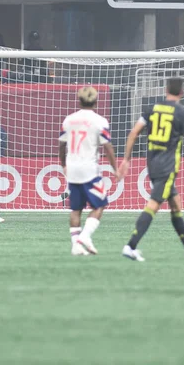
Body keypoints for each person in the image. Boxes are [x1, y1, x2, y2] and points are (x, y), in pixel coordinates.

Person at [118, 78, 184, 262]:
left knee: (175, 203)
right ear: (182, 92)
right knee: (154, 205)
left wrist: (126, 159)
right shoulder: (182, 113)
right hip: (168, 166)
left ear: (166, 90)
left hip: (152, 162)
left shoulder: (151, 109)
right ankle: (131, 245)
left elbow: (134, 133)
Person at [58, 86, 119, 256]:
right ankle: (84, 236)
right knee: (100, 205)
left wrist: (63, 164)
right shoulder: (100, 121)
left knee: (75, 210)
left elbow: (62, 145)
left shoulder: (69, 120)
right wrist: (115, 169)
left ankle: (75, 246)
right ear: (96, 101)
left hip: (73, 168)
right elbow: (107, 147)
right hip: (89, 170)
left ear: (79, 100)